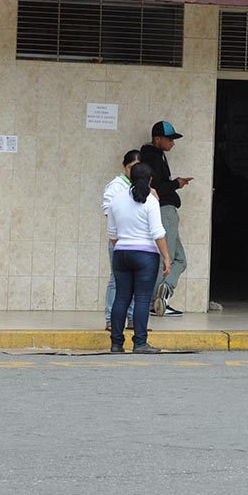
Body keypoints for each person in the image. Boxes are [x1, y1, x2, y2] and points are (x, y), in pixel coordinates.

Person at [107, 163, 171, 354]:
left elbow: (112, 233)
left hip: (121, 253)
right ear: (150, 180)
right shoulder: (151, 201)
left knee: (121, 297)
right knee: (142, 299)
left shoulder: (116, 199)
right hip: (145, 256)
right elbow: (157, 232)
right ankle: (140, 343)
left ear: (130, 177)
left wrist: (123, 247)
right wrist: (166, 257)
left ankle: (116, 343)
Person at [139, 121, 192, 317]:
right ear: (157, 139)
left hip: (167, 211)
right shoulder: (152, 157)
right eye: (169, 139)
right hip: (164, 212)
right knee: (166, 259)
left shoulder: (154, 156)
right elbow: (157, 188)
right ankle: (155, 302)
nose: (172, 143)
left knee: (180, 260)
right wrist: (176, 184)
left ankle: (164, 292)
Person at [103, 149, 139, 331]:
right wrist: (115, 239)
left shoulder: (140, 186)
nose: (134, 171)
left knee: (134, 280)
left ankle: (132, 319)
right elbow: (108, 211)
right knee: (116, 280)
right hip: (119, 240)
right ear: (125, 167)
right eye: (132, 167)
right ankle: (110, 319)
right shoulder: (116, 185)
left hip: (134, 240)